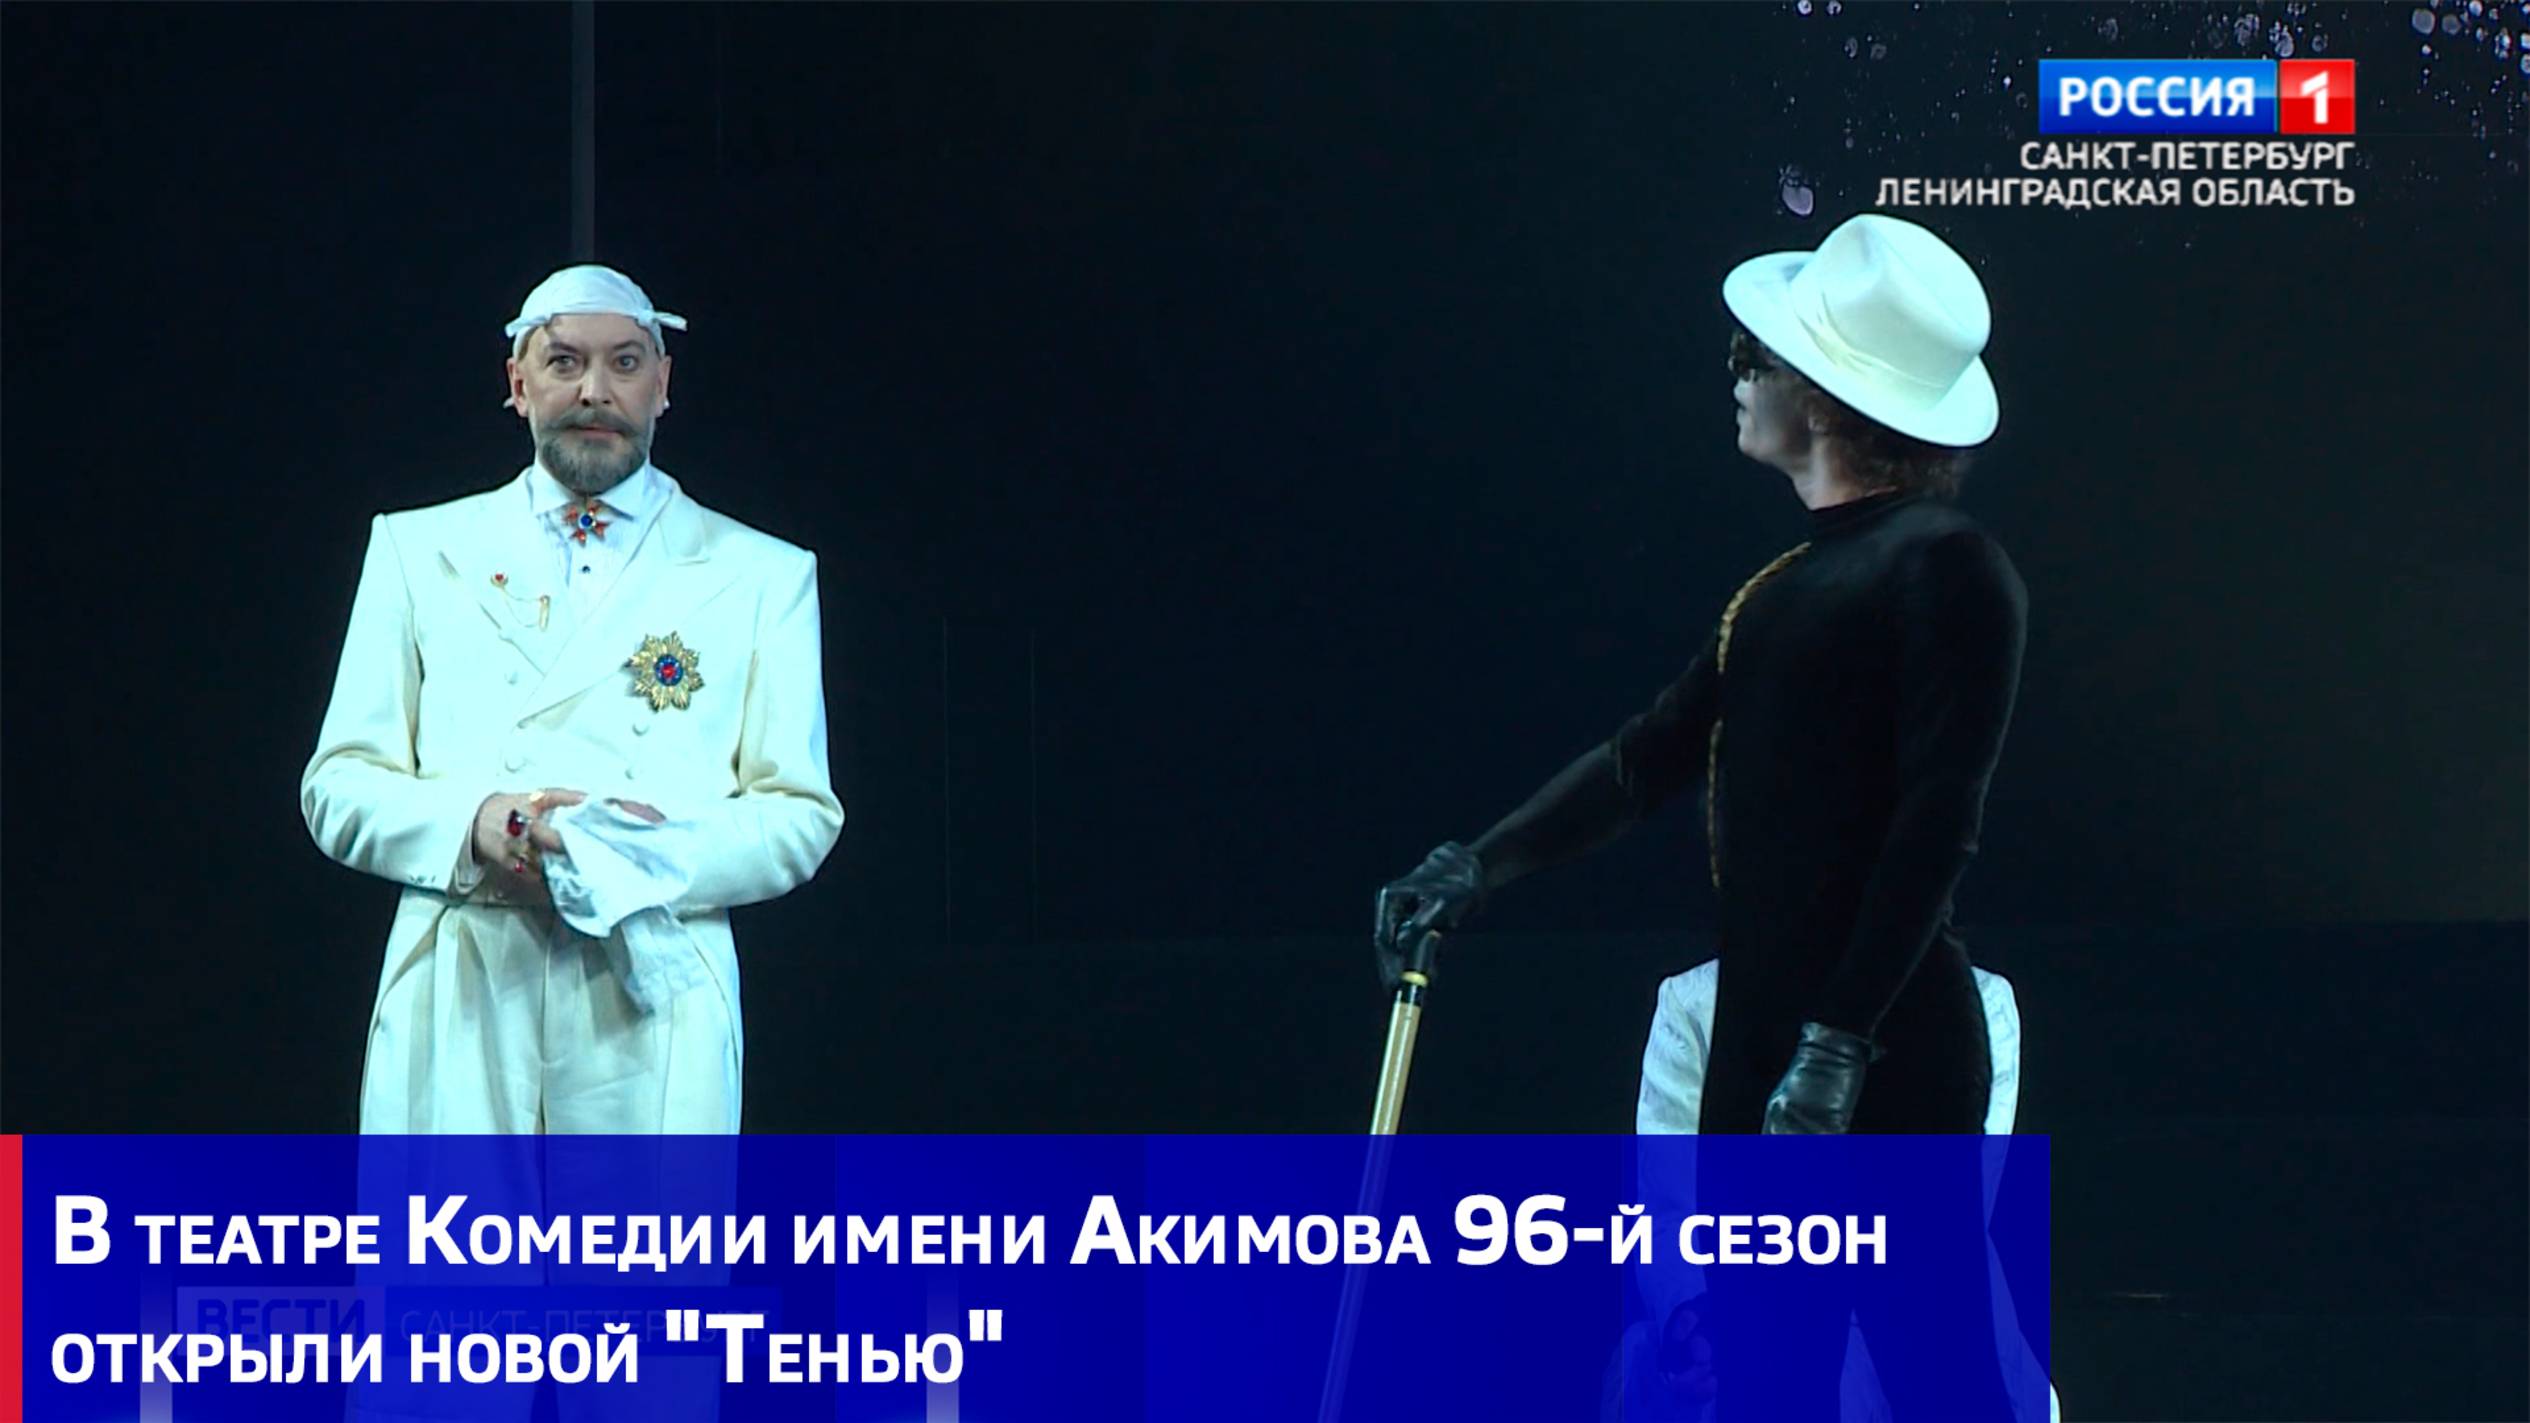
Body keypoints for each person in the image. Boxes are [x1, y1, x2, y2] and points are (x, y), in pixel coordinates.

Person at [1373, 213, 2029, 1418]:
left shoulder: (1945, 564)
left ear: (1821, 398)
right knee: (1765, 1385)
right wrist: (1476, 864)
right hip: (1769, 1041)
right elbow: (1646, 758)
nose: (1736, 372)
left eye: (1756, 356)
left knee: (1941, 1379)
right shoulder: (1785, 587)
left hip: (1880, 1044)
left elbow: (1937, 820)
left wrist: (1840, 1043)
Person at [301, 263, 844, 1134]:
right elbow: (338, 787)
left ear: (662, 384)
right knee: (450, 1229)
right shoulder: (417, 551)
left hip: (654, 987)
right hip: (463, 976)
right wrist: (478, 825)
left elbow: (800, 813)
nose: (595, 390)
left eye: (625, 362)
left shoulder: (760, 574)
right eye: (564, 362)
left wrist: (645, 854)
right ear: (519, 384)